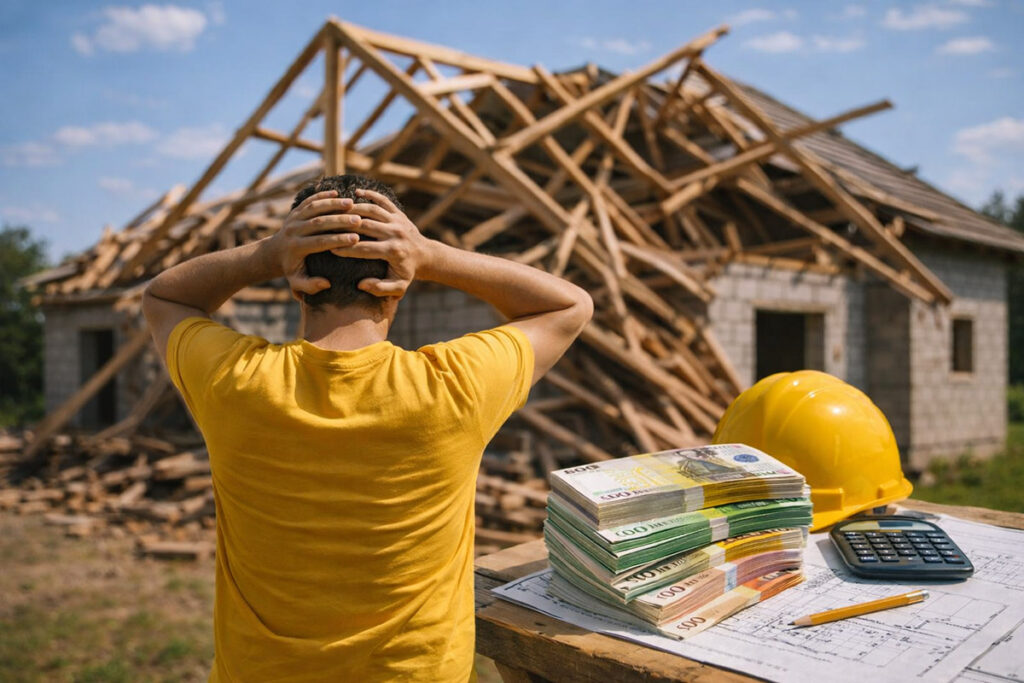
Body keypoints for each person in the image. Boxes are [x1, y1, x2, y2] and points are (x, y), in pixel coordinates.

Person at [141, 173, 593, 682]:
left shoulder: (234, 382)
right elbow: (569, 305)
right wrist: (430, 256)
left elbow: (164, 298)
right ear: (395, 283)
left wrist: (267, 255)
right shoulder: (453, 386)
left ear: (299, 284)